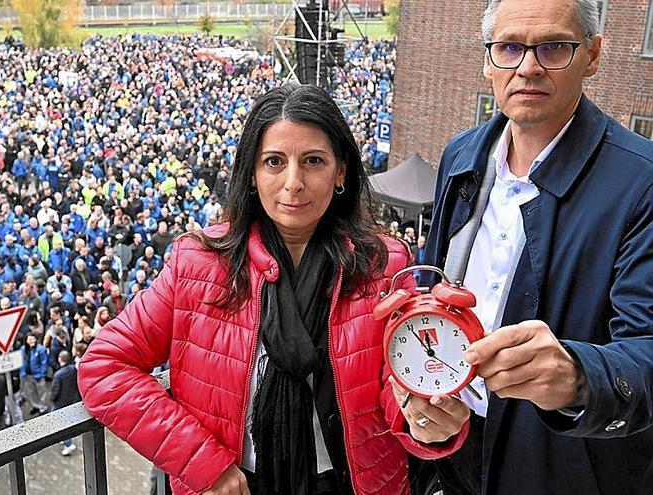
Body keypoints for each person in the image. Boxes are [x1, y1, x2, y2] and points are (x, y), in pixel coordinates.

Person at [78, 84, 471, 495]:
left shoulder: (383, 266)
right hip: (235, 485)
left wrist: (425, 419)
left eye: (313, 161)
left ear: (341, 172)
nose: (293, 182)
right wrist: (203, 464)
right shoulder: (197, 264)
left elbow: (396, 386)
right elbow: (104, 368)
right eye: (274, 162)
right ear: (251, 173)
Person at [420, 1, 653, 494]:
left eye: (552, 47)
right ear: (488, 60)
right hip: (458, 440)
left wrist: (576, 376)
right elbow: (431, 284)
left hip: (558, 462)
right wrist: (419, 387)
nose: (528, 66)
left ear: (592, 55)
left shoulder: (642, 182)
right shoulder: (461, 155)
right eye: (509, 47)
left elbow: (646, 349)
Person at [49, 347, 84, 456]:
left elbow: (55, 391)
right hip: (70, 399)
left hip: (60, 402)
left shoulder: (58, 375)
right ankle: (65, 440)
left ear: (60, 359)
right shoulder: (73, 369)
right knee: (66, 420)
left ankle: (68, 444)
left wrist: (52, 399)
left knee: (59, 422)